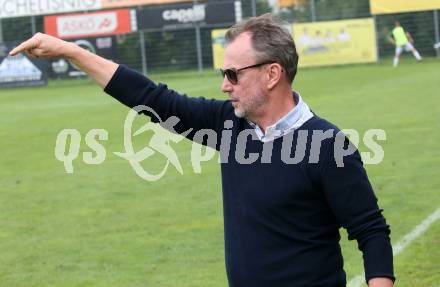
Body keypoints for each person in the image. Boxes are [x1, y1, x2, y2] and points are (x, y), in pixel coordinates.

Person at [10, 14, 395, 287]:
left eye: (233, 74)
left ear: (272, 74)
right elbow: (152, 99)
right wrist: (71, 52)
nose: (225, 86)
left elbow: (371, 232)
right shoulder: (229, 127)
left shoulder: (327, 145)